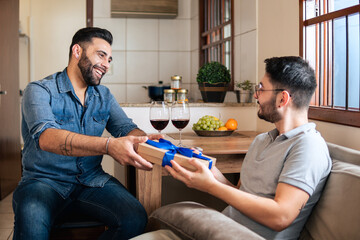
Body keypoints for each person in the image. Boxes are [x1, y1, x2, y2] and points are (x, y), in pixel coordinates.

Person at [136, 56, 332, 240]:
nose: (256, 94)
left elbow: (281, 216)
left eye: (261, 89)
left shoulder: (308, 147)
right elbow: (240, 194)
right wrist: (211, 172)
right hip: (222, 228)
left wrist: (210, 186)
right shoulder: (262, 140)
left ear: (283, 99)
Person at [12, 27, 160, 240]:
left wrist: (147, 140)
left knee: (135, 218)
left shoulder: (104, 95)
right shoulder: (39, 90)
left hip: (92, 181)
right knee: (32, 222)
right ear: (77, 51)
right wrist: (108, 146)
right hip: (43, 181)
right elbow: (47, 138)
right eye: (101, 55)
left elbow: (126, 129)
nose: (106, 65)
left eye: (110, 59)